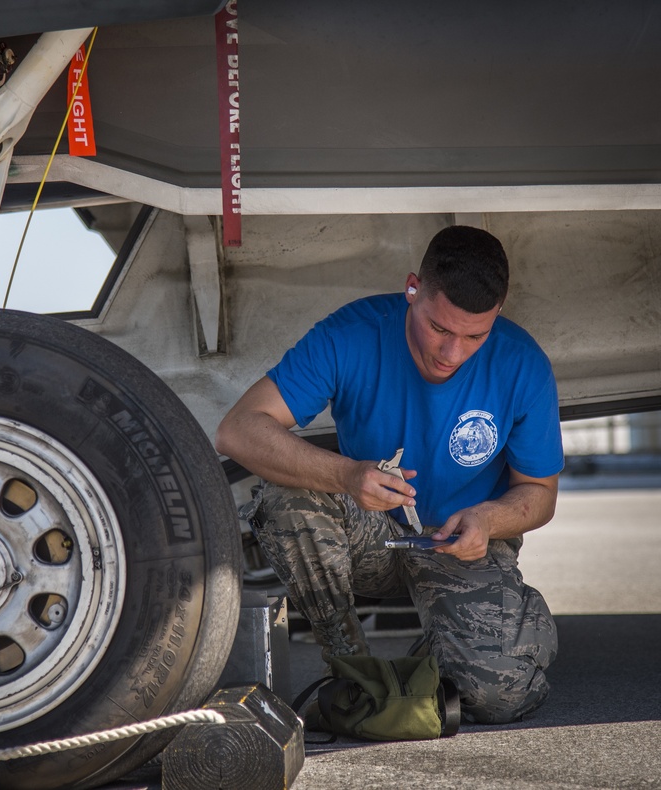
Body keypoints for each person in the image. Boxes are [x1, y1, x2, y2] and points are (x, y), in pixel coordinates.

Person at [215, 225, 563, 724]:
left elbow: (541, 494)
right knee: (287, 495)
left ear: (498, 313)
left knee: (498, 697)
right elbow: (238, 430)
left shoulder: (522, 363)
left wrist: (486, 520)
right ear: (412, 289)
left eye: (474, 336)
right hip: (371, 535)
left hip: (459, 546)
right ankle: (351, 666)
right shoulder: (352, 334)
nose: (453, 354)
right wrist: (347, 475)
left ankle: (451, 645)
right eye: (440, 329)